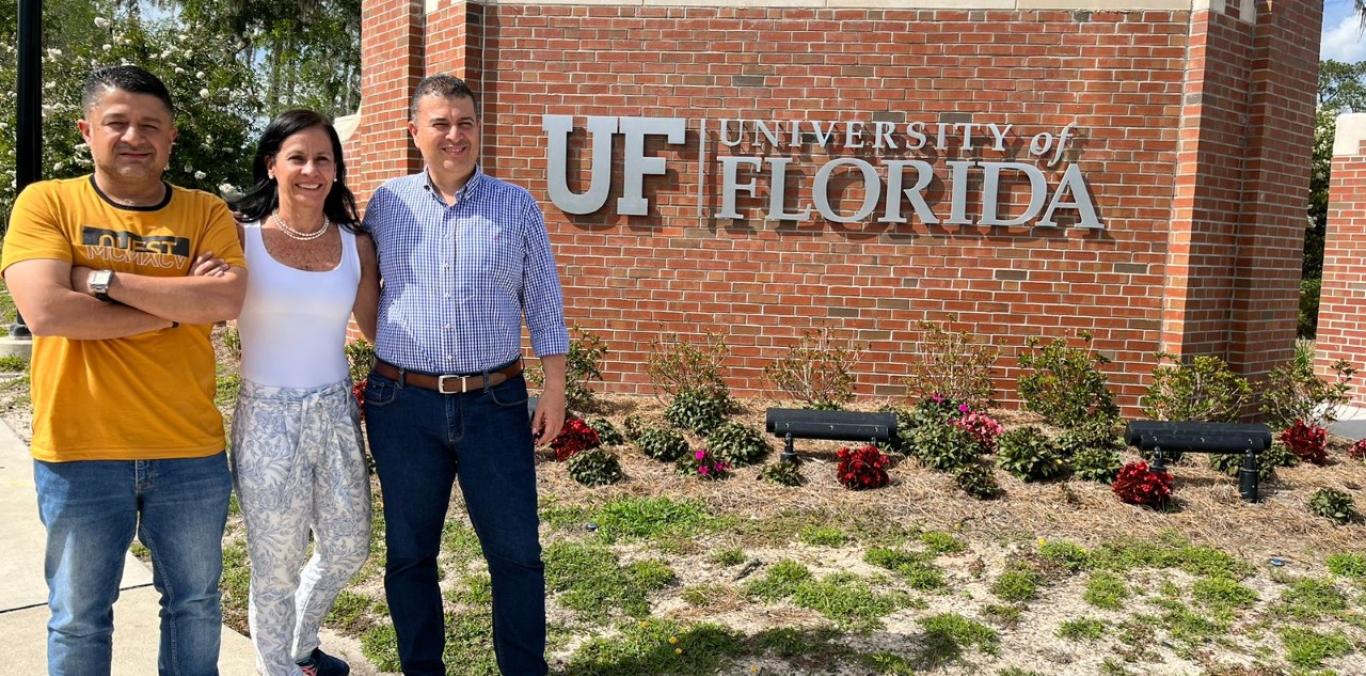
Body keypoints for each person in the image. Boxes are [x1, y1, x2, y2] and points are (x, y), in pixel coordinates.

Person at [1, 65, 247, 675]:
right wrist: (174, 306)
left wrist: (100, 280)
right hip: (79, 451)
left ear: (172, 137)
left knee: (194, 605)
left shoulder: (205, 211)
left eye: (150, 126)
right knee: (79, 617)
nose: (133, 136)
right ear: (87, 130)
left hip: (189, 450)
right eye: (117, 123)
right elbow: (48, 310)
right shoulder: (48, 201)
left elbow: (223, 302)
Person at [361, 74, 569, 676]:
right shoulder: (387, 203)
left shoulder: (516, 204)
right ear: (414, 132)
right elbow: (369, 293)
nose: (455, 135)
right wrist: (400, 350)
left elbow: (545, 301)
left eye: (466, 123)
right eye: (441, 123)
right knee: (409, 556)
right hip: (403, 406)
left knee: (517, 556)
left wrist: (553, 387)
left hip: (495, 403)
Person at [224, 109, 379, 676]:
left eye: (323, 159)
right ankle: (280, 668)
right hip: (266, 416)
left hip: (335, 410)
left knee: (347, 547)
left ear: (336, 170)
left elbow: (378, 330)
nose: (311, 169)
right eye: (297, 157)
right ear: (272, 165)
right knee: (275, 564)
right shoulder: (240, 237)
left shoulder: (354, 243)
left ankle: (299, 643)